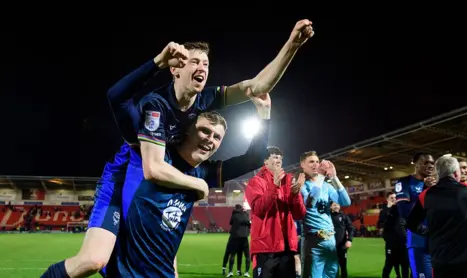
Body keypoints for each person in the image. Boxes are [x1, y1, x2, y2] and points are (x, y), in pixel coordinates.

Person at [43, 18, 315, 278]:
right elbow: (151, 167)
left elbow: (255, 87)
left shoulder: (204, 100)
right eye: (194, 61)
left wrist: (292, 44)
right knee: (94, 260)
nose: (202, 67)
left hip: (161, 177)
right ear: (176, 69)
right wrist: (157, 63)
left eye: (206, 63)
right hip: (127, 174)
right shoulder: (156, 104)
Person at [105, 90, 271, 277]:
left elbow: (254, 158)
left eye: (217, 137)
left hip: (161, 271)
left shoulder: (206, 172)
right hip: (123, 269)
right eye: (205, 131)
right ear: (188, 130)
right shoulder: (155, 156)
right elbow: (119, 101)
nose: (210, 139)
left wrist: (264, 113)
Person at [406, 155, 467, 278]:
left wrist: (428, 232)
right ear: (456, 173)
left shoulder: (425, 195)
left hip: (442, 261)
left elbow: (411, 223)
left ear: (439, 174)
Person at [245, 147, 307, 278]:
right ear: (265, 162)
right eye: (274, 156)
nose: (278, 159)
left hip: (287, 248)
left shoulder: (289, 181)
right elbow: (258, 209)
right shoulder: (255, 182)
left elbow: (299, 214)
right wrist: (274, 186)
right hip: (265, 249)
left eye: (280, 157)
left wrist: (295, 195)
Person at [300, 151, 351, 278]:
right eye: (311, 161)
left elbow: (346, 201)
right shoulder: (301, 184)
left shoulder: (326, 186)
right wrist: (322, 177)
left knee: (331, 275)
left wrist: (334, 177)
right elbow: (310, 202)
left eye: (317, 161)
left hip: (330, 240)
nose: (315, 164)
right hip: (313, 240)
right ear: (303, 165)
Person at [395, 152, 436, 278]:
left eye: (432, 163)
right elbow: (404, 211)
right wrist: (425, 190)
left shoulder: (436, 185)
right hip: (419, 241)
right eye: (426, 162)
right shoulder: (404, 183)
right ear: (416, 164)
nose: (430, 166)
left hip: (437, 242)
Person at [378, 192, 409, 278]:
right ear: (387, 199)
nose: (394, 199)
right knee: (389, 263)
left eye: (395, 197)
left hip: (403, 242)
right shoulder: (385, 210)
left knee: (405, 264)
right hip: (391, 243)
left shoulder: (402, 210)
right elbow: (381, 221)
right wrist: (388, 207)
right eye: (392, 198)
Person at [223, 204, 252, 277]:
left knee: (232, 254)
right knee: (247, 256)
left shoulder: (234, 215)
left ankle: (230, 271)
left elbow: (231, 222)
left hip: (235, 237)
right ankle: (246, 272)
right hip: (244, 238)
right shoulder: (245, 215)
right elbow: (249, 224)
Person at [330, 202, 353, 278]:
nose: (336, 206)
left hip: (341, 246)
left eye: (337, 204)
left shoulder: (344, 216)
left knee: (343, 266)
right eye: (334, 205)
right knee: (330, 267)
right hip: (329, 246)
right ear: (330, 207)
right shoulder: (327, 216)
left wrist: (349, 240)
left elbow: (351, 228)